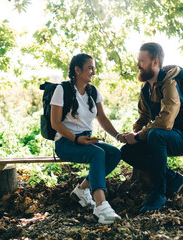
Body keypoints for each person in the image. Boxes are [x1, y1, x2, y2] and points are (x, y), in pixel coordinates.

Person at [121, 42, 183, 213]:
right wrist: (134, 134)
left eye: (141, 61)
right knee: (126, 151)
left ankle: (159, 194)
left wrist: (140, 135)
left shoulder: (169, 83)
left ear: (155, 62)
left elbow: (166, 121)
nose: (137, 65)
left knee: (156, 134)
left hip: (182, 138)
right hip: (158, 136)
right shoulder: (146, 88)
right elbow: (143, 117)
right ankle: (172, 178)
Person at [50, 53, 126, 224]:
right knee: (97, 154)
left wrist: (118, 136)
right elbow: (55, 123)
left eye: (94, 67)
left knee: (114, 153)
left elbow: (103, 119)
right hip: (66, 142)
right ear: (77, 70)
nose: (93, 71)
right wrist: (76, 140)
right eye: (90, 67)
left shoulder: (93, 91)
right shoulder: (61, 90)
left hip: (87, 140)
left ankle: (82, 190)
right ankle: (101, 205)